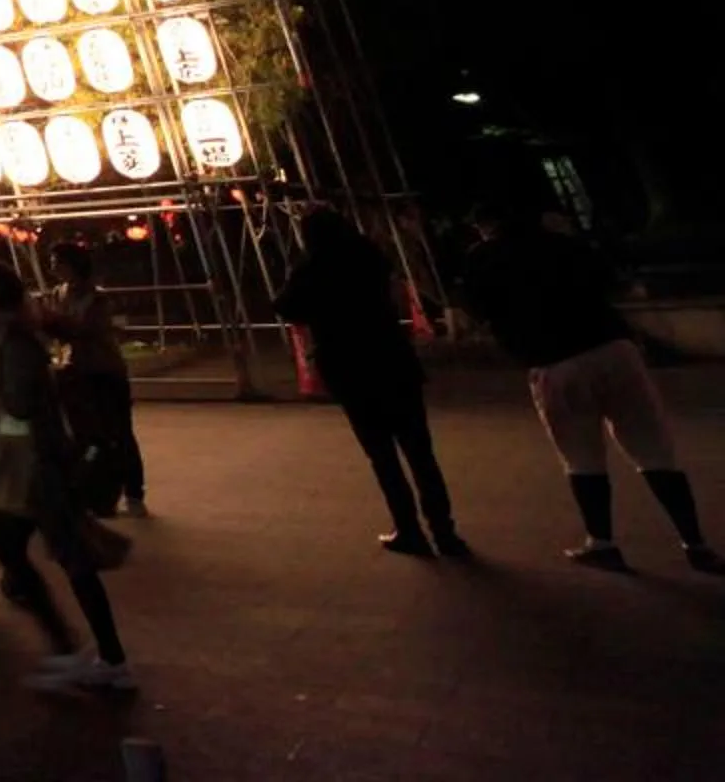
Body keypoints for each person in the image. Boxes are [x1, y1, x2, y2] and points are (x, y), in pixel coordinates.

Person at [461, 204, 719, 573]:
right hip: (612, 349)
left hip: (554, 362)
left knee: (582, 458)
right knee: (654, 450)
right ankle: (695, 543)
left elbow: (476, 311)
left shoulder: (483, 258)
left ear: (487, 224)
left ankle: (602, 541)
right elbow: (610, 280)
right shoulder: (563, 245)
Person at [0, 259, 135, 693]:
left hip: (37, 465)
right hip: (25, 464)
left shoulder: (13, 342)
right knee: (34, 549)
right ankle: (81, 650)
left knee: (63, 555)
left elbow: (21, 404)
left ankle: (97, 655)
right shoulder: (7, 338)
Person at [275, 208, 463, 558]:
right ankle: (445, 532)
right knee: (421, 453)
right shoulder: (368, 255)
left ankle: (409, 530)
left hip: (351, 369)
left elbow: (286, 307)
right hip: (393, 359)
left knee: (383, 456)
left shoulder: (312, 269)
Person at [46, 243, 145, 517]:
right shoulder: (58, 294)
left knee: (119, 432)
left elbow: (86, 329)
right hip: (75, 371)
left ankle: (134, 491)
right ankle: (99, 491)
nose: (52, 266)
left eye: (57, 261)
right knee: (87, 435)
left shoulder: (97, 297)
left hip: (104, 371)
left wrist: (54, 324)